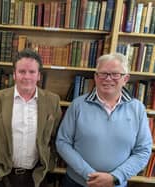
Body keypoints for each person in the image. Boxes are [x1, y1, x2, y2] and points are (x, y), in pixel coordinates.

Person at [56, 53, 153, 187]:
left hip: (115, 184)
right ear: (96, 77)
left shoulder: (137, 109)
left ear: (126, 78)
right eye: (103, 74)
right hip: (77, 182)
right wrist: (88, 174)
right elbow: (62, 142)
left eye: (115, 74)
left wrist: (115, 176)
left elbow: (143, 151)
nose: (108, 79)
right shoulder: (78, 105)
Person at [0, 48, 62, 187]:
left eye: (32, 72)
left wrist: (50, 164)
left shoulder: (52, 101)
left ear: (38, 76)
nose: (27, 77)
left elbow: (55, 138)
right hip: (2, 175)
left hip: (36, 176)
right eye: (22, 71)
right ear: (14, 74)